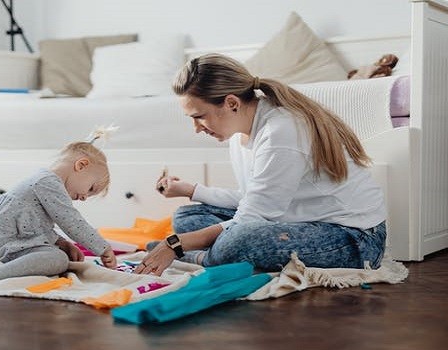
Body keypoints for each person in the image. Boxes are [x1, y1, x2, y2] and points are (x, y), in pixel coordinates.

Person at [134, 53, 386, 276]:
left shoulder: (281, 130)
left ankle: (203, 258)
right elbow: (252, 200)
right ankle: (218, 256)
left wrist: (175, 245)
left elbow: (252, 216)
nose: (197, 128)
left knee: (240, 240)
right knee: (187, 216)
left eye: (199, 117)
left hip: (354, 238)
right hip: (292, 221)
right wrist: (192, 191)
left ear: (232, 103)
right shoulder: (240, 134)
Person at [0, 139, 117, 288]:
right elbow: (72, 222)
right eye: (90, 189)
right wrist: (103, 248)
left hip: (8, 245)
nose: (84, 198)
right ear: (81, 165)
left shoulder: (44, 181)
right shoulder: (48, 183)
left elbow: (37, 225)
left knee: (58, 255)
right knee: (58, 260)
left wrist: (61, 243)